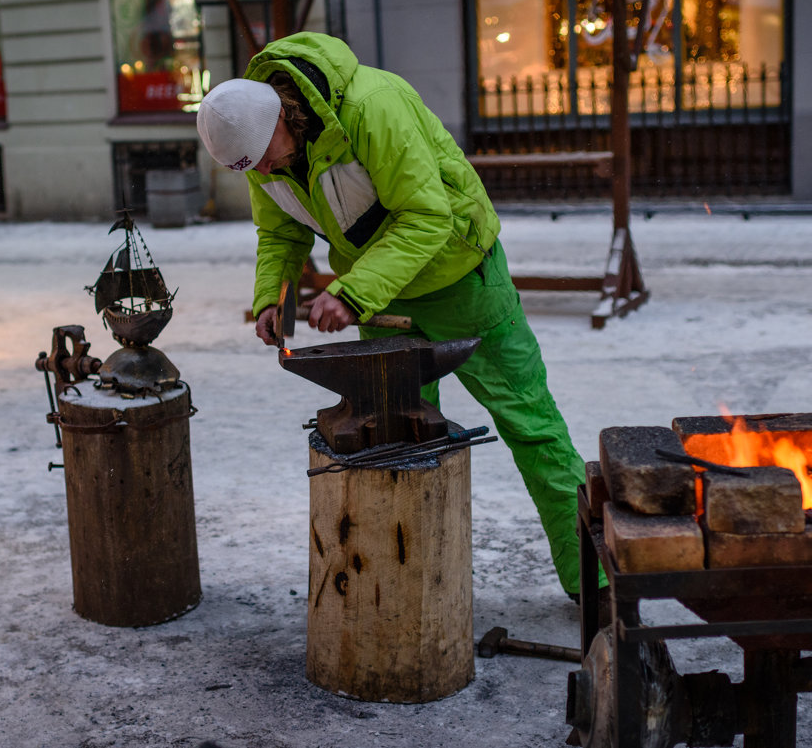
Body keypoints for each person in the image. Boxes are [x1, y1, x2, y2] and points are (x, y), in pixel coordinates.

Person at [196, 32, 591, 599]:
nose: (263, 169)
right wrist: (271, 299)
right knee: (397, 446)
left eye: (264, 156)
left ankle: (593, 582)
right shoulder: (263, 152)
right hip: (381, 296)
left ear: (285, 113)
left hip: (462, 281)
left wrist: (351, 294)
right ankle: (413, 593)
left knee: (533, 430)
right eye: (250, 168)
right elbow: (279, 232)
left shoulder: (373, 106)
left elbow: (426, 218)